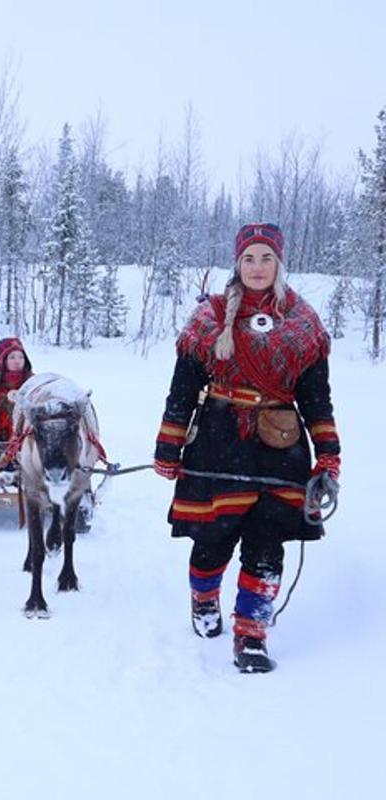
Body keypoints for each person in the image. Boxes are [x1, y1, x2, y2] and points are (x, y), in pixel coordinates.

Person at [153, 222, 340, 674]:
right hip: (218, 443)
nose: (258, 267)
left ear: (280, 263)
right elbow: (183, 388)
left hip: (280, 446)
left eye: (267, 258)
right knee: (213, 540)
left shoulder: (303, 323)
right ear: (237, 263)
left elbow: (316, 397)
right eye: (249, 259)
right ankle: (204, 601)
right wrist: (169, 446)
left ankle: (251, 635)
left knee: (266, 545)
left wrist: (329, 455)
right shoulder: (209, 317)